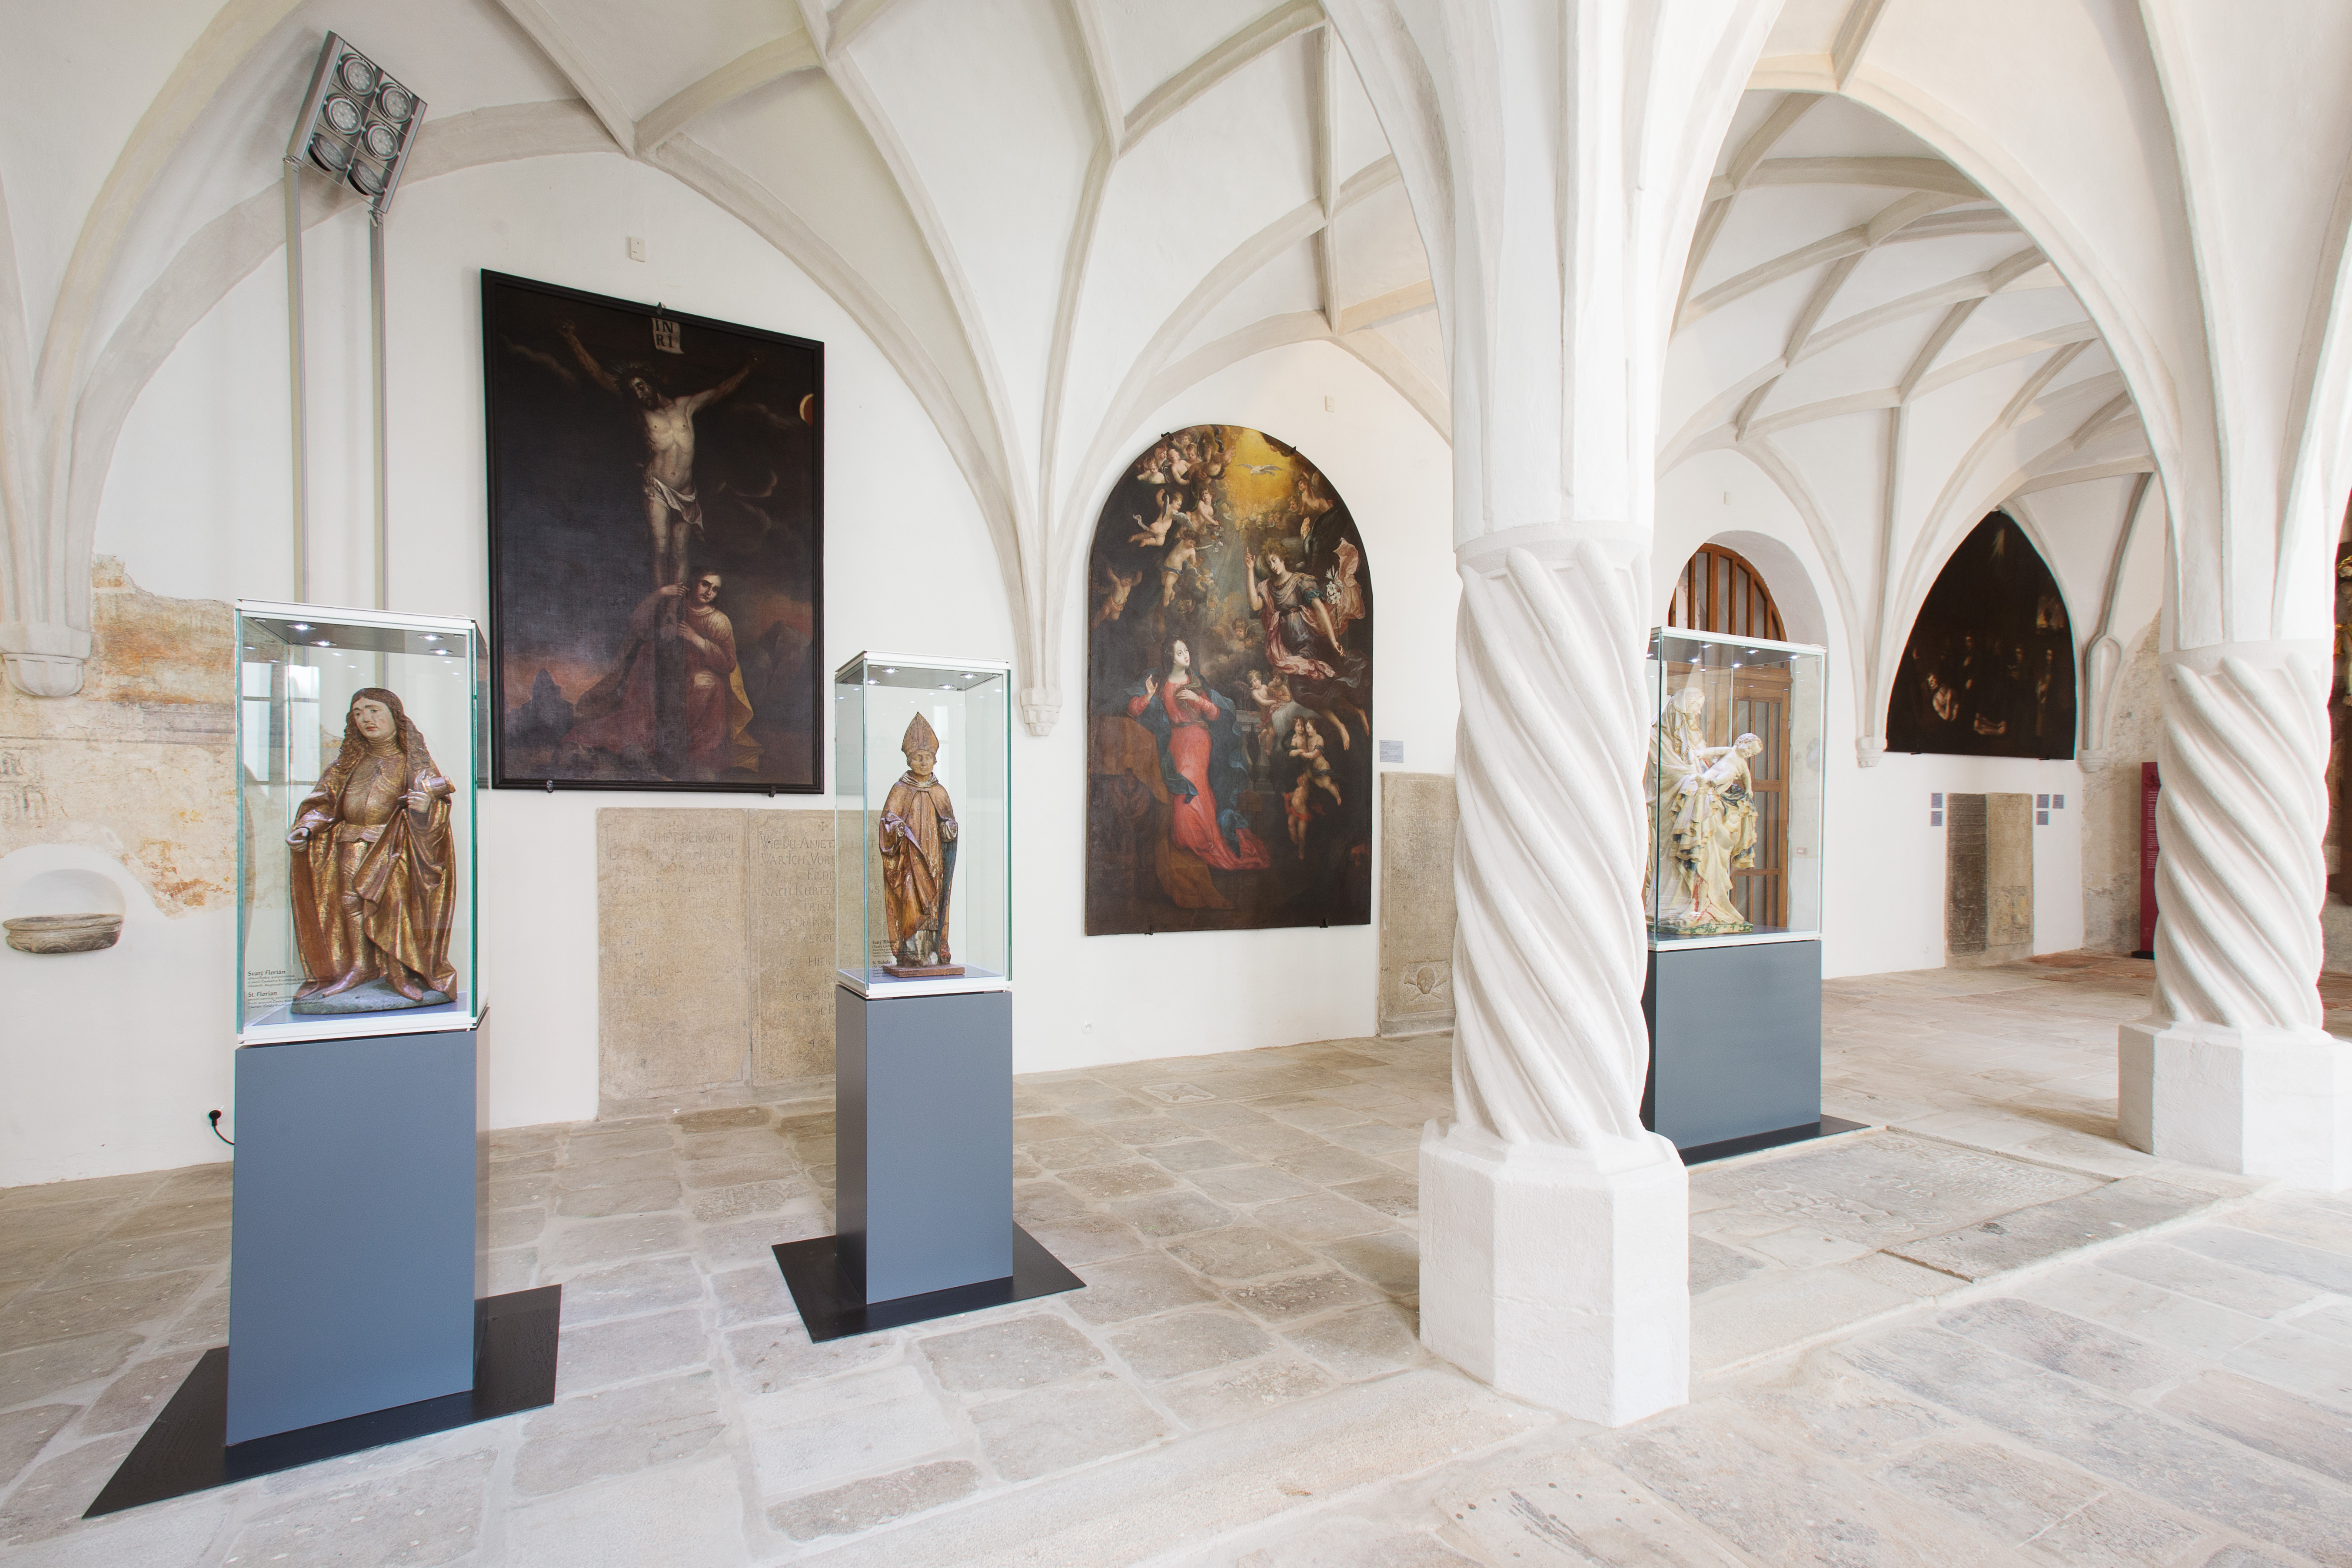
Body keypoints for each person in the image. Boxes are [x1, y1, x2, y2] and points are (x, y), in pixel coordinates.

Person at [558, 319, 758, 606]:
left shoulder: (686, 406)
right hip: (657, 488)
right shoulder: (643, 414)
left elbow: (721, 390)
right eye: (634, 391)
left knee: (680, 553)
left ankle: (674, 609)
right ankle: (660, 603)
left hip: (686, 492)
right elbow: (599, 375)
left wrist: (749, 367)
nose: (639, 393)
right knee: (661, 547)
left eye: (641, 386)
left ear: (650, 382)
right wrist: (571, 339)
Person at [286, 689, 458, 1008]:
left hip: (392, 845)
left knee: (391, 905)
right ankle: (360, 967)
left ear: (395, 716)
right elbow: (324, 803)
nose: (366, 718)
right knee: (350, 902)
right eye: (358, 713)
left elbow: (437, 807)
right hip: (350, 841)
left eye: (374, 710)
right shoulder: (346, 765)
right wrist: (307, 826)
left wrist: (425, 807)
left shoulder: (413, 761)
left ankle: (399, 972)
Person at [562, 571, 756, 779]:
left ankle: (681, 748)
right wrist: (661, 593)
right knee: (636, 717)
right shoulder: (673, 606)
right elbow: (638, 625)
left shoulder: (718, 620)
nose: (709, 592)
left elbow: (729, 662)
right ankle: (650, 747)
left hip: (692, 682)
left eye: (715, 589)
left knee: (706, 683)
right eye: (705, 584)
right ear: (695, 583)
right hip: (661, 675)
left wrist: (696, 639)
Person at [1127, 639, 1271, 871]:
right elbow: (1133, 711)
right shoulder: (1160, 683)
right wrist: (1149, 696)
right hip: (1174, 741)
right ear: (1171, 658)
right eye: (1180, 652)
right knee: (1178, 787)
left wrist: (1198, 700)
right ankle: (1186, 840)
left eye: (1187, 650)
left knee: (1191, 783)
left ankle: (1201, 839)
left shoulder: (1195, 682)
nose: (1186, 655)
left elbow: (1215, 714)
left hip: (1197, 739)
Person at [879, 712, 959, 970]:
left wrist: (950, 828)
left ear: (936, 760)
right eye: (918, 757)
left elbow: (949, 825)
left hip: (934, 859)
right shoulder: (900, 790)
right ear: (908, 760)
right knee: (911, 897)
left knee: (934, 903)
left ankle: (932, 950)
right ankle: (911, 950)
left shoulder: (940, 792)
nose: (924, 763)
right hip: (910, 859)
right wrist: (896, 828)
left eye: (928, 758)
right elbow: (887, 822)